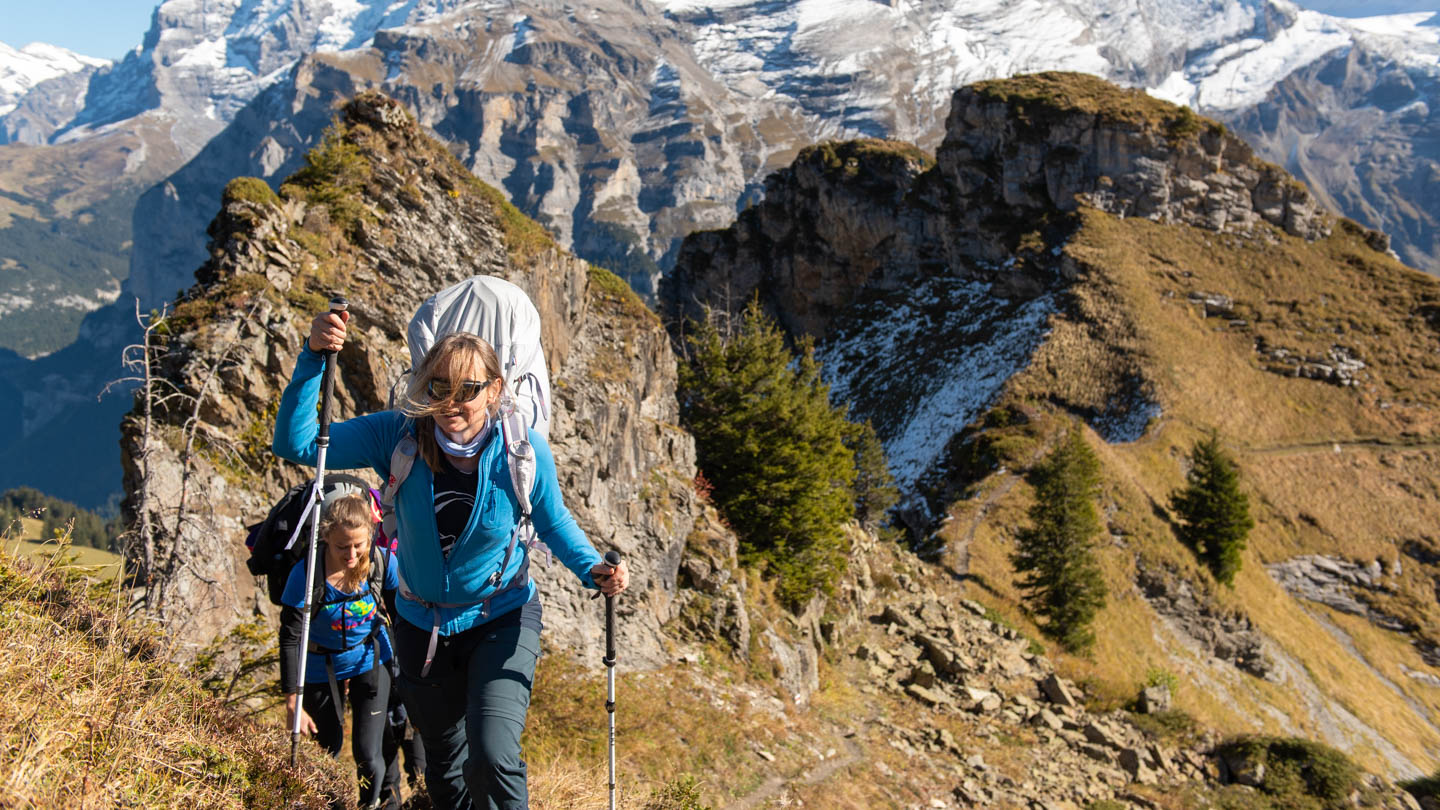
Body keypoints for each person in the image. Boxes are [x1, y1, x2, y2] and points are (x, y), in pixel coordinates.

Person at [274, 309, 629, 810]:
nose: (450, 402)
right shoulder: (398, 436)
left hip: (502, 617)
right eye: (438, 387)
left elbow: (552, 521)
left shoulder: (521, 451)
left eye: (467, 389)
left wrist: (593, 569)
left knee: (492, 754)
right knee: (444, 765)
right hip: (420, 626)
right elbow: (298, 443)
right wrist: (314, 355)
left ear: (495, 389)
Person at [279, 491, 398, 810]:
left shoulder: (381, 562)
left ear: (370, 537)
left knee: (368, 754)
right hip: (319, 665)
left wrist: (407, 669)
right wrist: (292, 698)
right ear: (325, 538)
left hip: (370, 659)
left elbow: (402, 613)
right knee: (326, 749)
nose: (351, 555)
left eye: (359, 545)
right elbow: (290, 636)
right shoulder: (306, 575)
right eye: (341, 546)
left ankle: (372, 805)